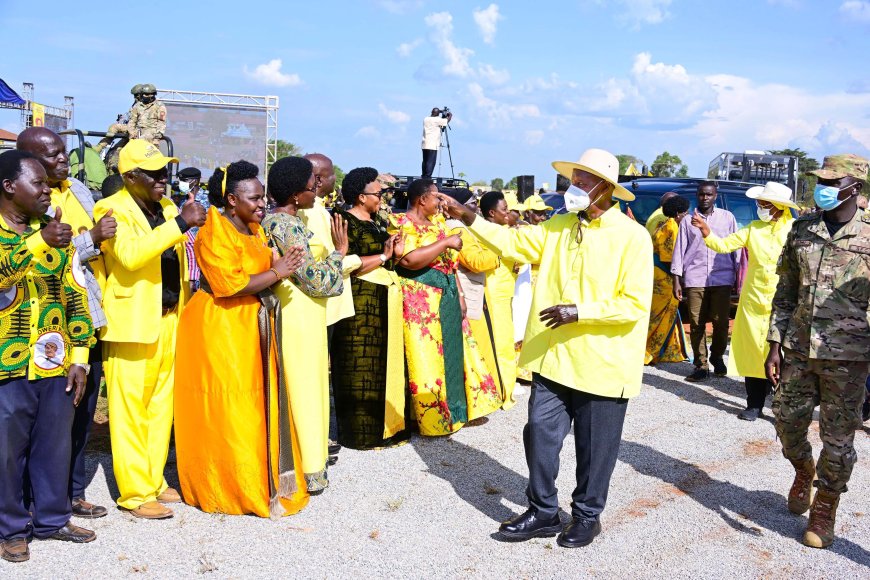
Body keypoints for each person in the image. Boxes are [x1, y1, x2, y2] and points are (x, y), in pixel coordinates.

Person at [440, 148, 653, 549]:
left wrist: (580, 311)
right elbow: (514, 241)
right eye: (574, 179)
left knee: (596, 448)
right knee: (539, 432)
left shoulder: (632, 237)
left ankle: (588, 516)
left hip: (602, 361)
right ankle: (544, 511)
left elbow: (634, 303)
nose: (575, 188)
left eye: (583, 181)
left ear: (606, 188)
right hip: (554, 357)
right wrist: (468, 217)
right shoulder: (558, 225)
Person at [174, 161, 310, 517]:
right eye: (254, 198)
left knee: (257, 403)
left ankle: (262, 480)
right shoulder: (214, 230)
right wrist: (276, 271)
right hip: (221, 327)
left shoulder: (255, 229)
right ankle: (229, 487)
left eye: (263, 197)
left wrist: (283, 268)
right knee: (229, 406)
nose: (262, 204)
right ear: (232, 199)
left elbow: (264, 272)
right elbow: (228, 284)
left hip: (253, 324)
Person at [93, 139, 206, 519]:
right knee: (130, 410)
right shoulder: (111, 208)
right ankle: (135, 493)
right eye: (154, 173)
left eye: (165, 171)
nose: (163, 179)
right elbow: (130, 256)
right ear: (130, 176)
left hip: (171, 317)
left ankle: (154, 480)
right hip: (131, 324)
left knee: (160, 407)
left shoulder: (169, 206)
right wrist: (179, 224)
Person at [765, 154, 870, 549]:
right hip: (797, 348)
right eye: (819, 180)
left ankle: (825, 504)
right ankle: (802, 468)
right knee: (786, 421)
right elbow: (786, 291)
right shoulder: (801, 230)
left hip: (849, 356)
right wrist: (774, 342)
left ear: (854, 187)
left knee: (839, 438)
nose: (821, 188)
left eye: (831, 181)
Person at [0, 150, 96, 563]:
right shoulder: (36, 235)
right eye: (37, 183)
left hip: (55, 362)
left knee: (53, 445)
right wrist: (38, 242)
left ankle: (53, 519)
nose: (47, 190)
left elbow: (76, 296)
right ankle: (11, 528)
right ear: (9, 187)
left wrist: (79, 355)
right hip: (7, 366)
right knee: (6, 453)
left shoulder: (53, 232)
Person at [16, 127, 117, 519]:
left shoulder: (75, 186)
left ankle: (72, 492)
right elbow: (42, 252)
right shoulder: (26, 198)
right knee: (41, 419)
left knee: (82, 408)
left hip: (85, 313)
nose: (62, 160)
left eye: (62, 153)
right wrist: (90, 238)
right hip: (41, 323)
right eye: (51, 155)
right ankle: (31, 498)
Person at [263, 156, 347, 494]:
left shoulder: (290, 221)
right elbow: (315, 280)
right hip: (296, 315)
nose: (317, 189)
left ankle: (310, 466)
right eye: (311, 185)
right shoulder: (284, 225)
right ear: (296, 194)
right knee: (303, 391)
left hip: (306, 315)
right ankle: (303, 469)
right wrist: (339, 253)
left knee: (310, 388)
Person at [392, 179, 501, 435]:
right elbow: (408, 260)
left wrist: (461, 294)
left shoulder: (440, 224)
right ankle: (432, 418)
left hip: (449, 293)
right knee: (426, 355)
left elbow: (449, 264)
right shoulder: (401, 224)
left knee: (454, 351)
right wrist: (445, 243)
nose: (441, 203)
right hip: (420, 297)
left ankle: (457, 411)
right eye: (436, 198)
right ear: (422, 200)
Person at [692, 181, 796, 421]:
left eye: (764, 204)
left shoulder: (795, 229)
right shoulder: (753, 228)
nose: (760, 207)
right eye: (759, 203)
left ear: (779, 206)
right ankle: (754, 404)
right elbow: (725, 244)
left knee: (784, 355)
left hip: (784, 303)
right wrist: (706, 231)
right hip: (753, 302)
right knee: (753, 354)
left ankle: (782, 407)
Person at [330, 167, 409, 449]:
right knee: (359, 367)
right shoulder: (344, 222)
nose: (382, 198)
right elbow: (345, 264)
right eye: (379, 194)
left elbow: (383, 258)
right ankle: (360, 434)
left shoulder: (377, 221)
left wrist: (393, 255)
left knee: (384, 365)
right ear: (362, 197)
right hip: (359, 304)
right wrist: (383, 255)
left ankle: (388, 428)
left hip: (383, 299)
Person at [299, 153, 360, 459]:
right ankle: (315, 439)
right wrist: (358, 259)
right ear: (320, 179)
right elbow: (322, 264)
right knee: (315, 376)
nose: (337, 181)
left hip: (331, 305)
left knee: (323, 377)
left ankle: (319, 435)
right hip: (321, 305)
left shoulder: (321, 210)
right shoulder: (309, 213)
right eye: (333, 176)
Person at [670, 182, 740, 382]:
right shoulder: (687, 221)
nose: (705, 198)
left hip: (722, 277)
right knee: (696, 322)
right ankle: (701, 364)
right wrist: (677, 279)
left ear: (715, 196)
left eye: (709, 194)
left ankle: (717, 357)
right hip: (695, 277)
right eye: (701, 195)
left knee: (721, 322)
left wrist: (737, 276)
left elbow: (735, 247)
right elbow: (679, 250)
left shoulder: (727, 218)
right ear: (697, 196)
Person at [445, 188, 506, 409]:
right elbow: (475, 261)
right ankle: (475, 402)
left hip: (474, 292)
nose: (475, 207)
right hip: (467, 295)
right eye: (471, 203)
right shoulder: (455, 227)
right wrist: (500, 251)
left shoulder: (462, 226)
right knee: (475, 351)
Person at [478, 190, 519, 407]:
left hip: (504, 293)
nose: (509, 213)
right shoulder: (488, 233)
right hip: (492, 294)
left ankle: (502, 389)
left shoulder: (503, 231)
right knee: (501, 344)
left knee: (504, 343)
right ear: (492, 213)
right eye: (504, 210)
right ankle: (503, 392)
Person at [645, 195, 690, 366]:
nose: (687, 216)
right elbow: (670, 257)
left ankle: (665, 350)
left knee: (667, 314)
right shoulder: (670, 228)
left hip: (662, 274)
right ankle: (647, 351)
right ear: (678, 213)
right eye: (685, 213)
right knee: (658, 315)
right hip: (663, 276)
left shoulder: (667, 224)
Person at [174, 167, 209, 293]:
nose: (181, 183)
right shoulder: (177, 199)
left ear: (195, 181)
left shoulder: (208, 200)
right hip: (183, 254)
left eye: (184, 180)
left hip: (202, 255)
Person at [94, 84, 143, 153]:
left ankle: (99, 147)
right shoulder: (136, 105)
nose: (135, 97)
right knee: (114, 152)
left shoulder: (144, 106)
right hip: (131, 131)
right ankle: (100, 149)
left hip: (137, 131)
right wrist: (122, 119)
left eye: (136, 95)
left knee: (114, 127)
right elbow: (129, 116)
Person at [421, 108, 451, 178]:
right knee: (431, 162)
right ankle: (428, 177)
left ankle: (423, 175)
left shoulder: (426, 119)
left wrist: (439, 111)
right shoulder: (437, 120)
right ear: (438, 114)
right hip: (432, 144)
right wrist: (449, 115)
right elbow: (446, 121)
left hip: (424, 143)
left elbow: (435, 116)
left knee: (425, 161)